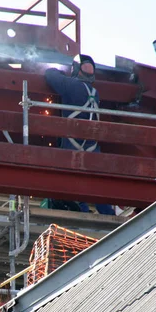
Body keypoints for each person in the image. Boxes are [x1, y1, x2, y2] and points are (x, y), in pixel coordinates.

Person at [43, 54, 115, 216]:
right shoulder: (94, 92)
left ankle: (83, 212)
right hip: (92, 148)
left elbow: (49, 74)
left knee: (73, 179)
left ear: (75, 69)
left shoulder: (71, 85)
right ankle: (108, 214)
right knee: (96, 183)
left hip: (72, 146)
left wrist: (61, 71)